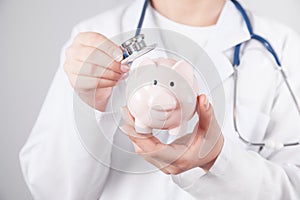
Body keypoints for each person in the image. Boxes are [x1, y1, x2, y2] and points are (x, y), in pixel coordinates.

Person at [20, 0, 300, 199]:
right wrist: (89, 103)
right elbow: (52, 191)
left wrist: (218, 161)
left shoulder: (283, 47)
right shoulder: (96, 37)